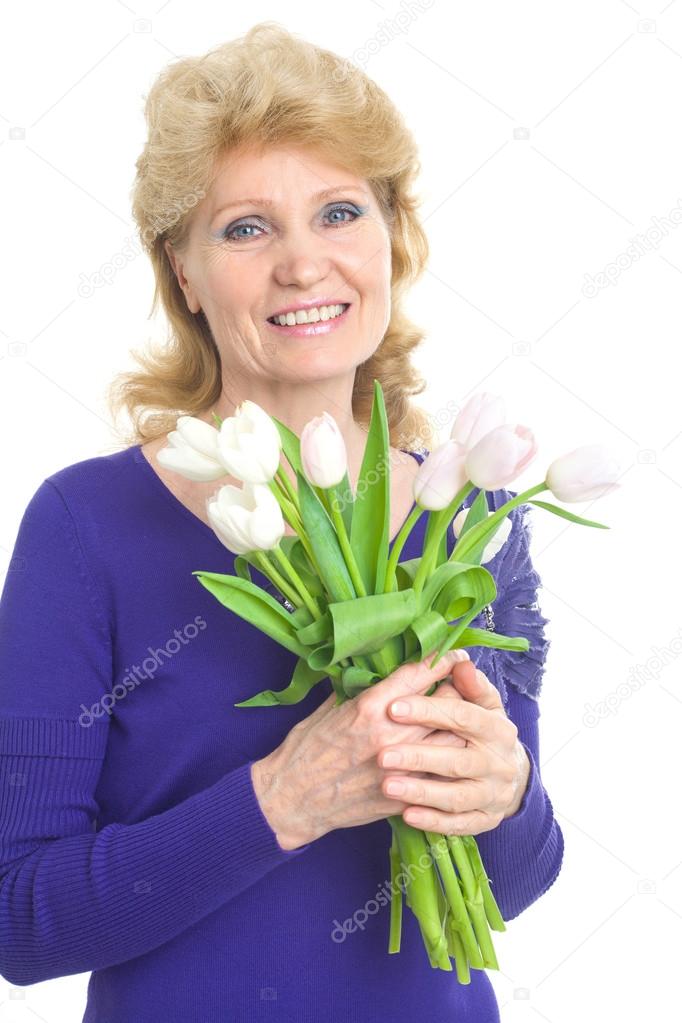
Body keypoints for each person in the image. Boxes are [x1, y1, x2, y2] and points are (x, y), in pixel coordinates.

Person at [0, 21, 563, 1022]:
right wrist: (283, 798)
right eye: (245, 228)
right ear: (183, 270)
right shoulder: (86, 526)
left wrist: (504, 796)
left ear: (390, 238)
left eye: (338, 212)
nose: (303, 265)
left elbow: (507, 888)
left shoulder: (475, 515)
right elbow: (20, 918)